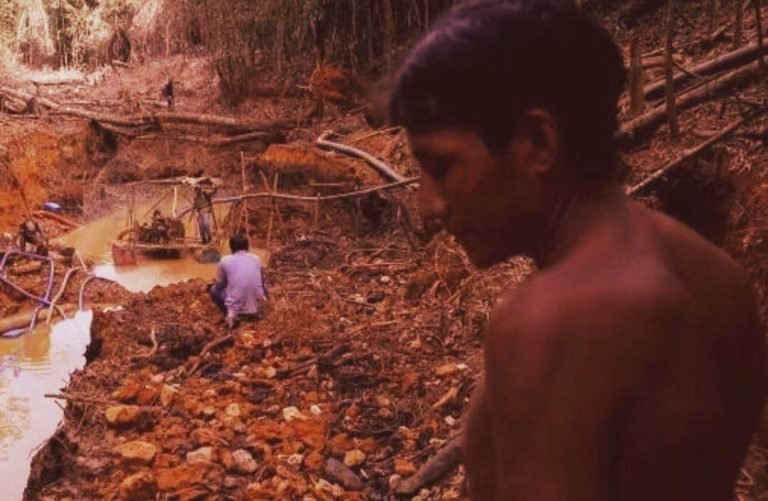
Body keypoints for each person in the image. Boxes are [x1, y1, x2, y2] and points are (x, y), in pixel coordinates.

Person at [389, 1, 765, 500]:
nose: (428, 204)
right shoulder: (720, 280)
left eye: (441, 167)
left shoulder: (551, 321)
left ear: (539, 142)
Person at [209, 234, 268, 328]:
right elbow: (261, 281)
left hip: (237, 310)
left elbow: (221, 285)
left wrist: (215, 282)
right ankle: (259, 307)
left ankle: (229, 314)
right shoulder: (256, 259)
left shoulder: (225, 260)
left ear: (231, 248)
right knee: (261, 284)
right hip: (258, 307)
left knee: (213, 290)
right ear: (247, 247)